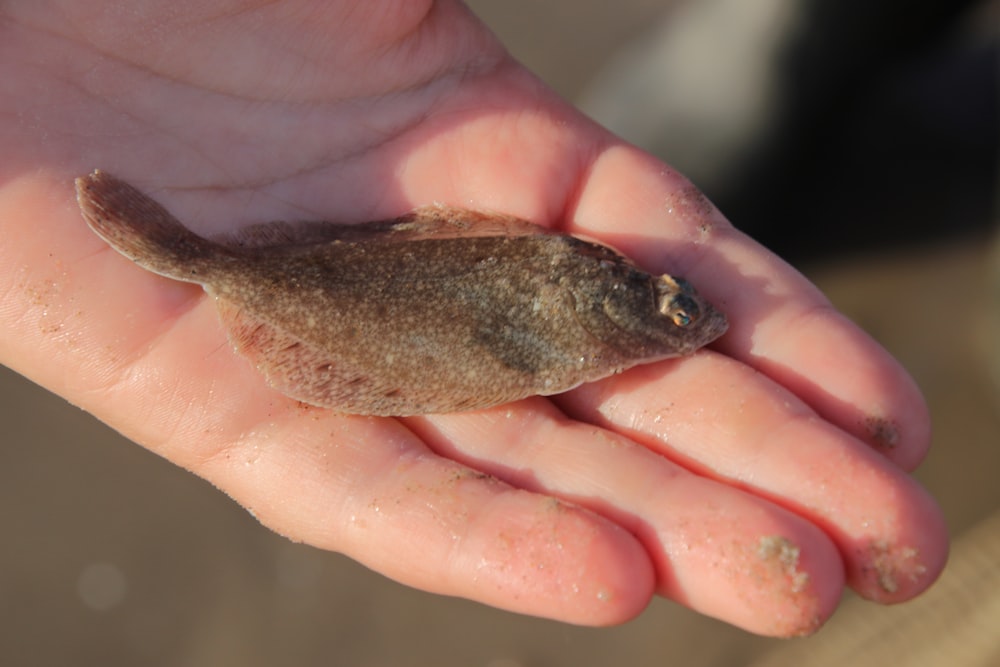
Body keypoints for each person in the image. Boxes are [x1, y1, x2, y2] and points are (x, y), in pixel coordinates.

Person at [0, 0, 946, 636]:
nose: (680, 313)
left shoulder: (594, 306)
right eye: (668, 303)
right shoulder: (590, 301)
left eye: (672, 305)